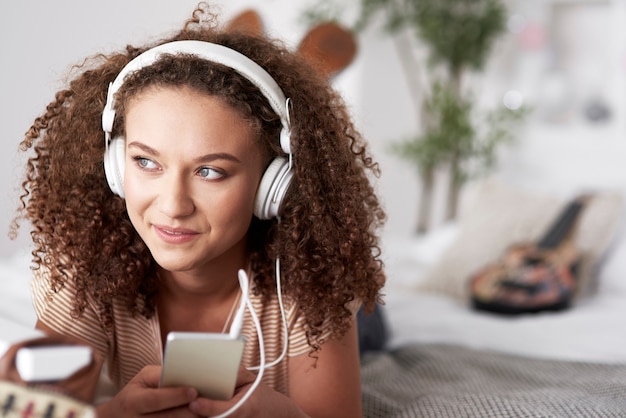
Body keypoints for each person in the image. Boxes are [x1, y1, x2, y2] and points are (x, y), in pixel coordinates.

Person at [13, 2, 386, 417]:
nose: (173, 206)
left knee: (373, 326)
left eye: (210, 171)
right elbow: (30, 408)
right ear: (116, 167)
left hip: (341, 309)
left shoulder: (313, 283)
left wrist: (277, 413)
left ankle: (305, 67)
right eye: (146, 162)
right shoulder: (89, 273)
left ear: (272, 185)